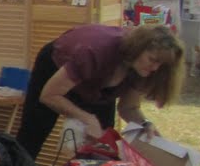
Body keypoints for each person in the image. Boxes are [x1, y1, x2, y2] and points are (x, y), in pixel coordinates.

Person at [16, 24, 183, 159]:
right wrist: (86, 118)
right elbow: (49, 96)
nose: (155, 68)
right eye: (152, 60)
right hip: (56, 69)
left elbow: (128, 108)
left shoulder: (141, 68)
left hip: (99, 84)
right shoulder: (94, 52)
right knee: (34, 132)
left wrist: (145, 125)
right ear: (138, 49)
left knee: (102, 145)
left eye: (160, 64)